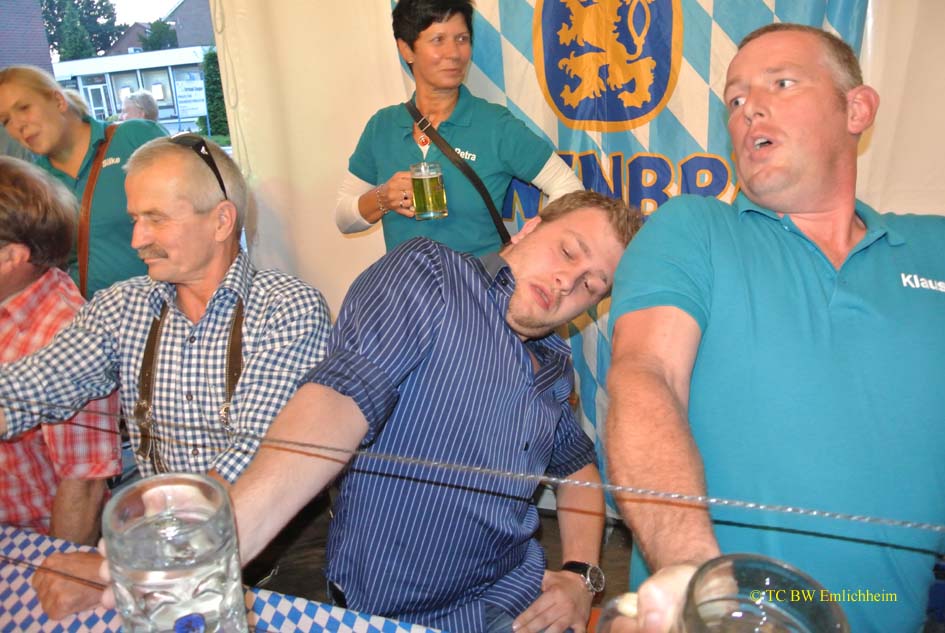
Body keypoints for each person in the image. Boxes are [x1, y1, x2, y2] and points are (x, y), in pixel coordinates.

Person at [605, 23, 945, 633]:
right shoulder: (694, 228)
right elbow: (646, 374)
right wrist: (698, 581)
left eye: (781, 84)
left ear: (857, 109)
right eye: (734, 99)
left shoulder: (934, 248)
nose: (748, 108)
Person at [211, 190, 640, 633]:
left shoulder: (555, 366)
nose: (568, 281)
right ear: (529, 228)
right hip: (392, 615)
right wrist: (217, 552)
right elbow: (340, 399)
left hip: (515, 601)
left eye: (591, 285)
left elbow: (578, 469)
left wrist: (581, 576)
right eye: (567, 252)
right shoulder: (433, 276)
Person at [0, 135, 332, 618]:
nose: (137, 239)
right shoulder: (123, 306)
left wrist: (121, 567)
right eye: (135, 219)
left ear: (221, 221)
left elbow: (252, 456)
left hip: (279, 559)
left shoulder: (288, 307)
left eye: (155, 218)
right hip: (163, 545)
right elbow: (34, 385)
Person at [334, 0, 584, 257]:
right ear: (406, 49)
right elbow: (344, 217)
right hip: (404, 282)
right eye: (438, 40)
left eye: (462, 39)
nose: (454, 53)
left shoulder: (495, 124)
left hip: (478, 282)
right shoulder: (383, 126)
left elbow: (568, 187)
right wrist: (383, 198)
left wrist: (527, 248)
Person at [0, 156, 121, 545]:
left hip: (26, 541)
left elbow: (84, 485)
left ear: (12, 256)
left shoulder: (68, 335)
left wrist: (58, 567)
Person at [0, 65, 167, 297]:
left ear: (58, 100)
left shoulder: (134, 137)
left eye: (24, 107)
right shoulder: (32, 186)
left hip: (167, 307)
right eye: (6, 120)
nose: (18, 125)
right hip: (87, 315)